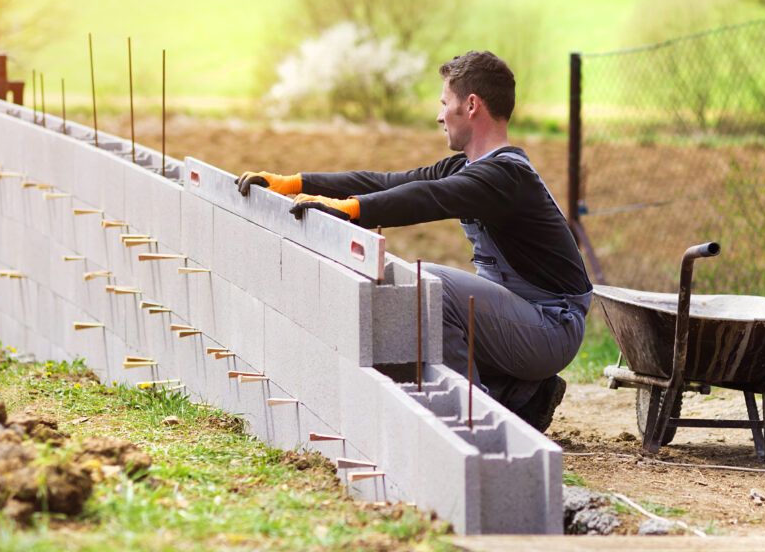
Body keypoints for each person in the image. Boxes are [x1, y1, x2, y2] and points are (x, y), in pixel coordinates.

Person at [236, 50, 592, 431]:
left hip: (552, 323)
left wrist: (350, 210)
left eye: (445, 103)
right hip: (523, 316)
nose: (440, 116)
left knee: (428, 286)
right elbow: (389, 183)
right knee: (428, 292)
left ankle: (476, 421)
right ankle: (519, 396)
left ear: (471, 105)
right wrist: (297, 183)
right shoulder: (465, 166)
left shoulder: (505, 176)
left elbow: (428, 198)